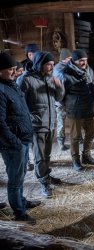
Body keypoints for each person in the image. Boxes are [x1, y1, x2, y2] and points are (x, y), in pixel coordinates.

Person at [0, 52, 41, 224]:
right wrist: (14, 142)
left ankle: (21, 201)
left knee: (21, 175)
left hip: (22, 139)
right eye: (10, 69)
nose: (14, 72)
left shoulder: (11, 85)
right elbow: (0, 123)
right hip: (14, 143)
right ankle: (19, 212)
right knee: (15, 179)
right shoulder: (1, 90)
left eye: (14, 69)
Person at [19, 51, 65, 198]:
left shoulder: (50, 78)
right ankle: (43, 183)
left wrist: (59, 86)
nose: (51, 67)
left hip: (50, 123)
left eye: (52, 64)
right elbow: (19, 104)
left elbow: (59, 98)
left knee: (47, 155)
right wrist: (28, 120)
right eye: (48, 64)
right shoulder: (26, 80)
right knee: (39, 157)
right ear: (39, 64)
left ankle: (47, 176)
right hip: (36, 125)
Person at [63, 49, 94, 171]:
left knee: (91, 133)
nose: (84, 62)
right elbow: (62, 93)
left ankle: (86, 155)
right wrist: (69, 104)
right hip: (75, 109)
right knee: (75, 136)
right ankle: (75, 160)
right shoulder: (67, 73)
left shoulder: (88, 70)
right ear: (74, 60)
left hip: (88, 107)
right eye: (81, 60)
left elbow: (92, 83)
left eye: (86, 60)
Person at [53, 48, 72, 151]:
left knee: (69, 120)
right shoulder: (59, 69)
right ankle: (61, 143)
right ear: (64, 58)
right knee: (61, 122)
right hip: (61, 100)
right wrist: (61, 99)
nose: (71, 60)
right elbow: (61, 87)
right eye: (69, 58)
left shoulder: (64, 67)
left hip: (65, 99)